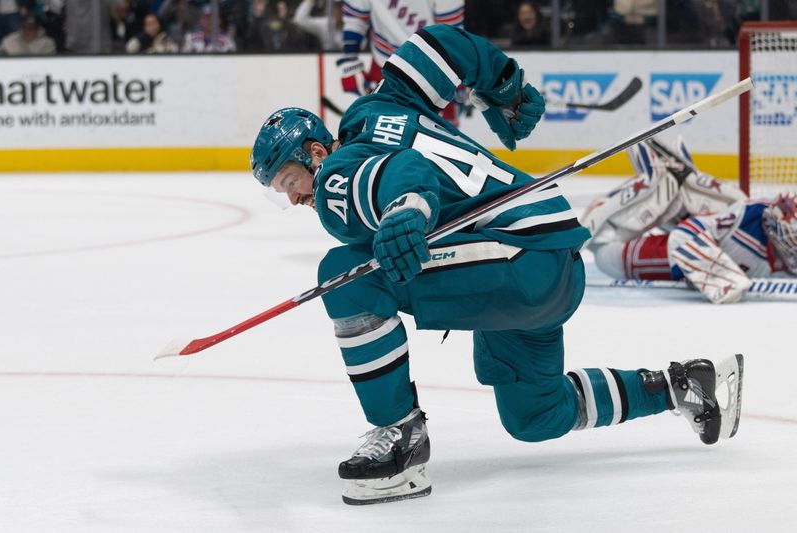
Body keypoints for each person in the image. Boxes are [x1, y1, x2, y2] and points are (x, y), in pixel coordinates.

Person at [250, 25, 744, 505]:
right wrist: (503, 88)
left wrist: (406, 208)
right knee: (535, 415)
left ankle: (400, 437)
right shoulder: (382, 105)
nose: (295, 198)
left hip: (515, 258)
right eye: (282, 193)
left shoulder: (335, 173)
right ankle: (683, 387)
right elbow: (438, 44)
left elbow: (404, 171)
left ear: (316, 152)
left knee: (346, 278)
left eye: (290, 181)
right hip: (547, 262)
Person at [582, 138, 796, 303]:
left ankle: (680, 197)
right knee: (604, 250)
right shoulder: (750, 215)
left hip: (702, 239)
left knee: (726, 205)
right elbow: (683, 236)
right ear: (775, 230)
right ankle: (658, 184)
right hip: (618, 257)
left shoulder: (783, 251)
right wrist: (719, 277)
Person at [337, 0, 465, 123]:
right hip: (385, 64)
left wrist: (455, 78)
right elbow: (356, 18)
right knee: (381, 131)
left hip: (430, 69)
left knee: (435, 137)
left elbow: (449, 34)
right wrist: (350, 59)